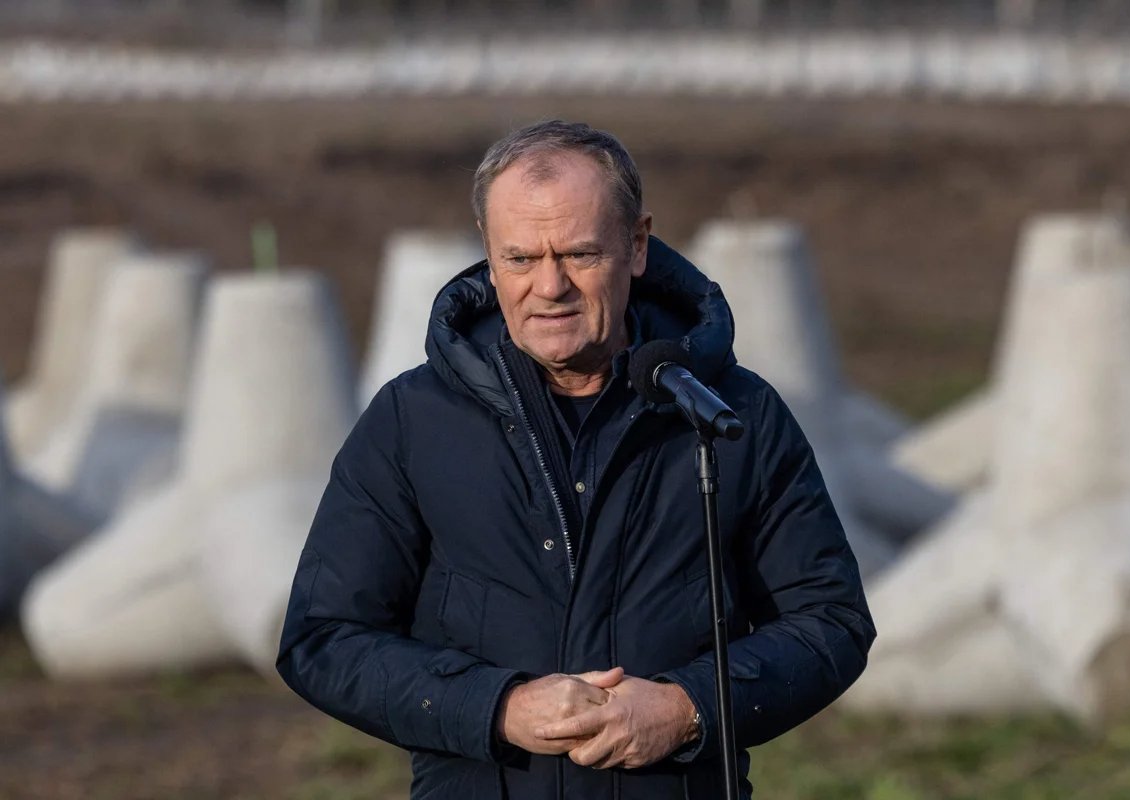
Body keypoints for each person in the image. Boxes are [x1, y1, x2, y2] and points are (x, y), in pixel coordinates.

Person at [276, 120, 875, 800]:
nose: (550, 286)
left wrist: (689, 707)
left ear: (637, 245)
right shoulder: (411, 421)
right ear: (488, 253)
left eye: (580, 254)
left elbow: (832, 622)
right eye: (520, 259)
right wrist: (497, 707)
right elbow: (323, 638)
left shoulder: (730, 415)